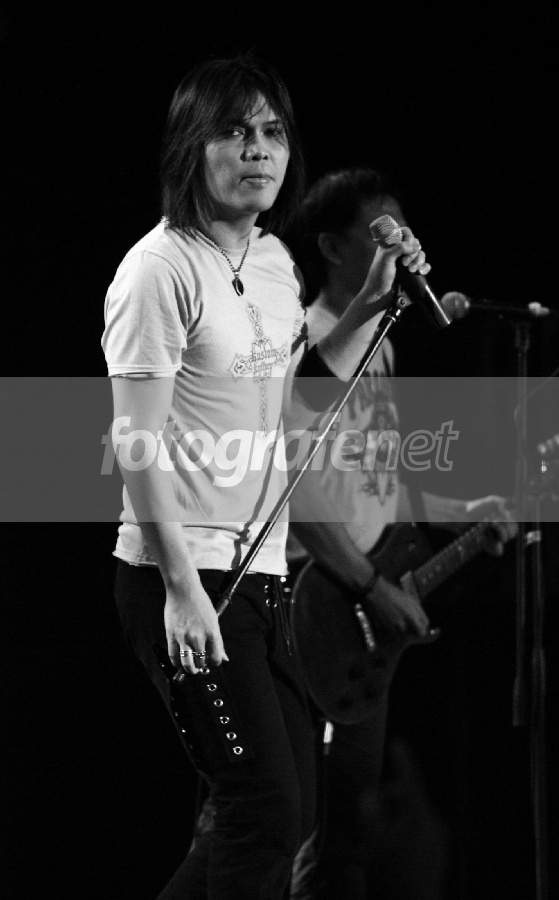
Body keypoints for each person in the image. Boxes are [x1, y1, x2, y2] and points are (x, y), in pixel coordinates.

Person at [101, 59, 432, 900]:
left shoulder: (277, 262)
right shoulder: (158, 270)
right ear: (191, 146)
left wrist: (371, 301)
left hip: (264, 577)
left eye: (272, 132)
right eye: (234, 131)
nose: (258, 149)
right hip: (183, 577)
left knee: (279, 810)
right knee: (262, 805)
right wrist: (182, 590)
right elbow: (134, 441)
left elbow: (299, 397)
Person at [284, 167, 516, 900]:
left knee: (343, 843)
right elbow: (288, 487)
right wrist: (368, 586)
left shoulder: (381, 346)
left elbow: (379, 478)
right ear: (331, 246)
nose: (401, 244)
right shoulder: (302, 340)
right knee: (274, 828)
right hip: (311, 602)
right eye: (380, 231)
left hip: (363, 612)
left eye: (403, 230)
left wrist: (464, 508)